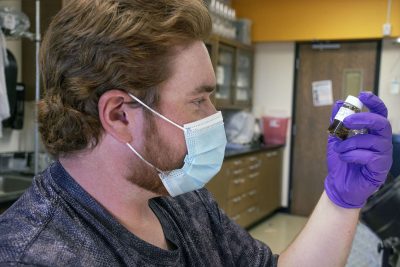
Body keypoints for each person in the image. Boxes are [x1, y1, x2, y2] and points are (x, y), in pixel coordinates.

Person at [0, 0, 392, 266]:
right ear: (120, 115)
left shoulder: (178, 196)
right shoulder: (35, 253)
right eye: (199, 101)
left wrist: (341, 201)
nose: (214, 116)